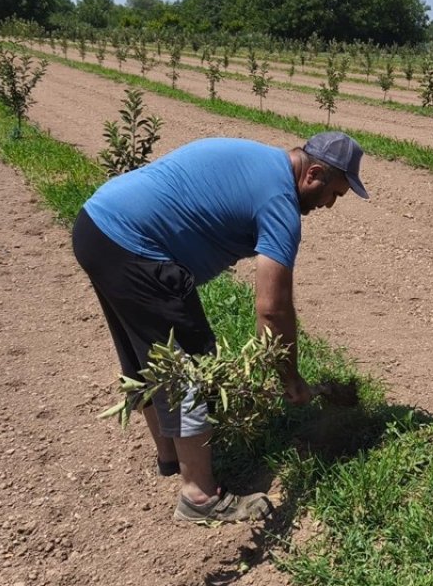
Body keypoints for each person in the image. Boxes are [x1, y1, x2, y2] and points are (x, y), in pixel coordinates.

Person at [72, 132, 368, 523]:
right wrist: (288, 375)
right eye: (334, 193)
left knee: (149, 357)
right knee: (188, 364)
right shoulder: (280, 202)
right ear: (313, 173)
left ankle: (172, 457)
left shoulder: (262, 161)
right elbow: (273, 309)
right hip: (133, 243)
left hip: (98, 226)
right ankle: (198, 496)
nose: (329, 204)